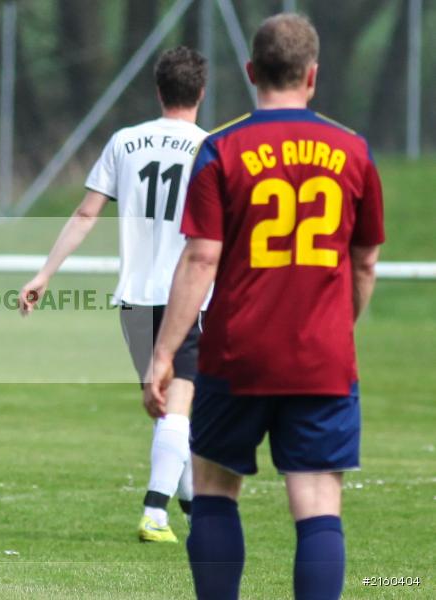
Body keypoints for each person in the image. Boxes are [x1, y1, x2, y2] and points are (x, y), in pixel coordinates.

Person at [145, 14, 384, 600]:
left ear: (251, 72)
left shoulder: (222, 148)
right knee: (316, 502)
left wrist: (165, 353)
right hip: (321, 359)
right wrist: (335, 327)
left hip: (235, 354)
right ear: (313, 76)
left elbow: (201, 260)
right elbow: (365, 262)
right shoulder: (352, 150)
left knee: (216, 487)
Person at [18, 47, 209, 543]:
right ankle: (155, 512)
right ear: (201, 92)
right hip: (186, 296)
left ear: (158, 90)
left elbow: (85, 214)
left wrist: (44, 273)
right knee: (181, 405)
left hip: (133, 300)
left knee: (168, 407)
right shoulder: (213, 148)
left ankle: (194, 513)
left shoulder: (125, 142)